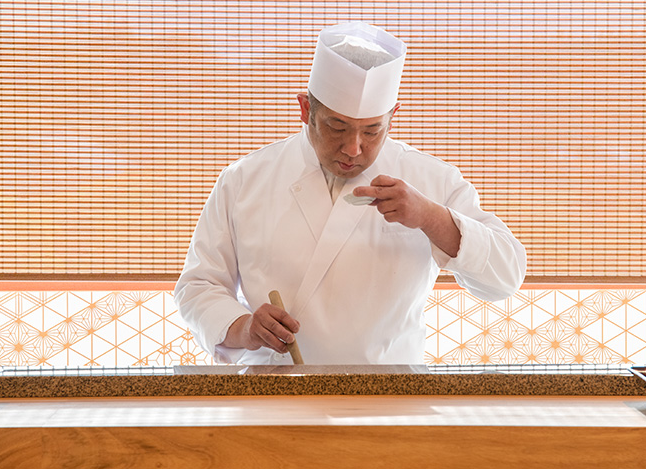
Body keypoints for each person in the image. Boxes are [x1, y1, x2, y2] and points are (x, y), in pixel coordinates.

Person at [174, 22, 526, 365]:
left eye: (373, 131)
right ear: (305, 110)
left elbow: (506, 278)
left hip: (391, 397)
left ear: (393, 116)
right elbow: (198, 286)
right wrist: (243, 328)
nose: (354, 148)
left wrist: (431, 218)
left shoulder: (432, 178)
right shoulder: (243, 180)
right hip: (273, 395)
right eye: (337, 127)